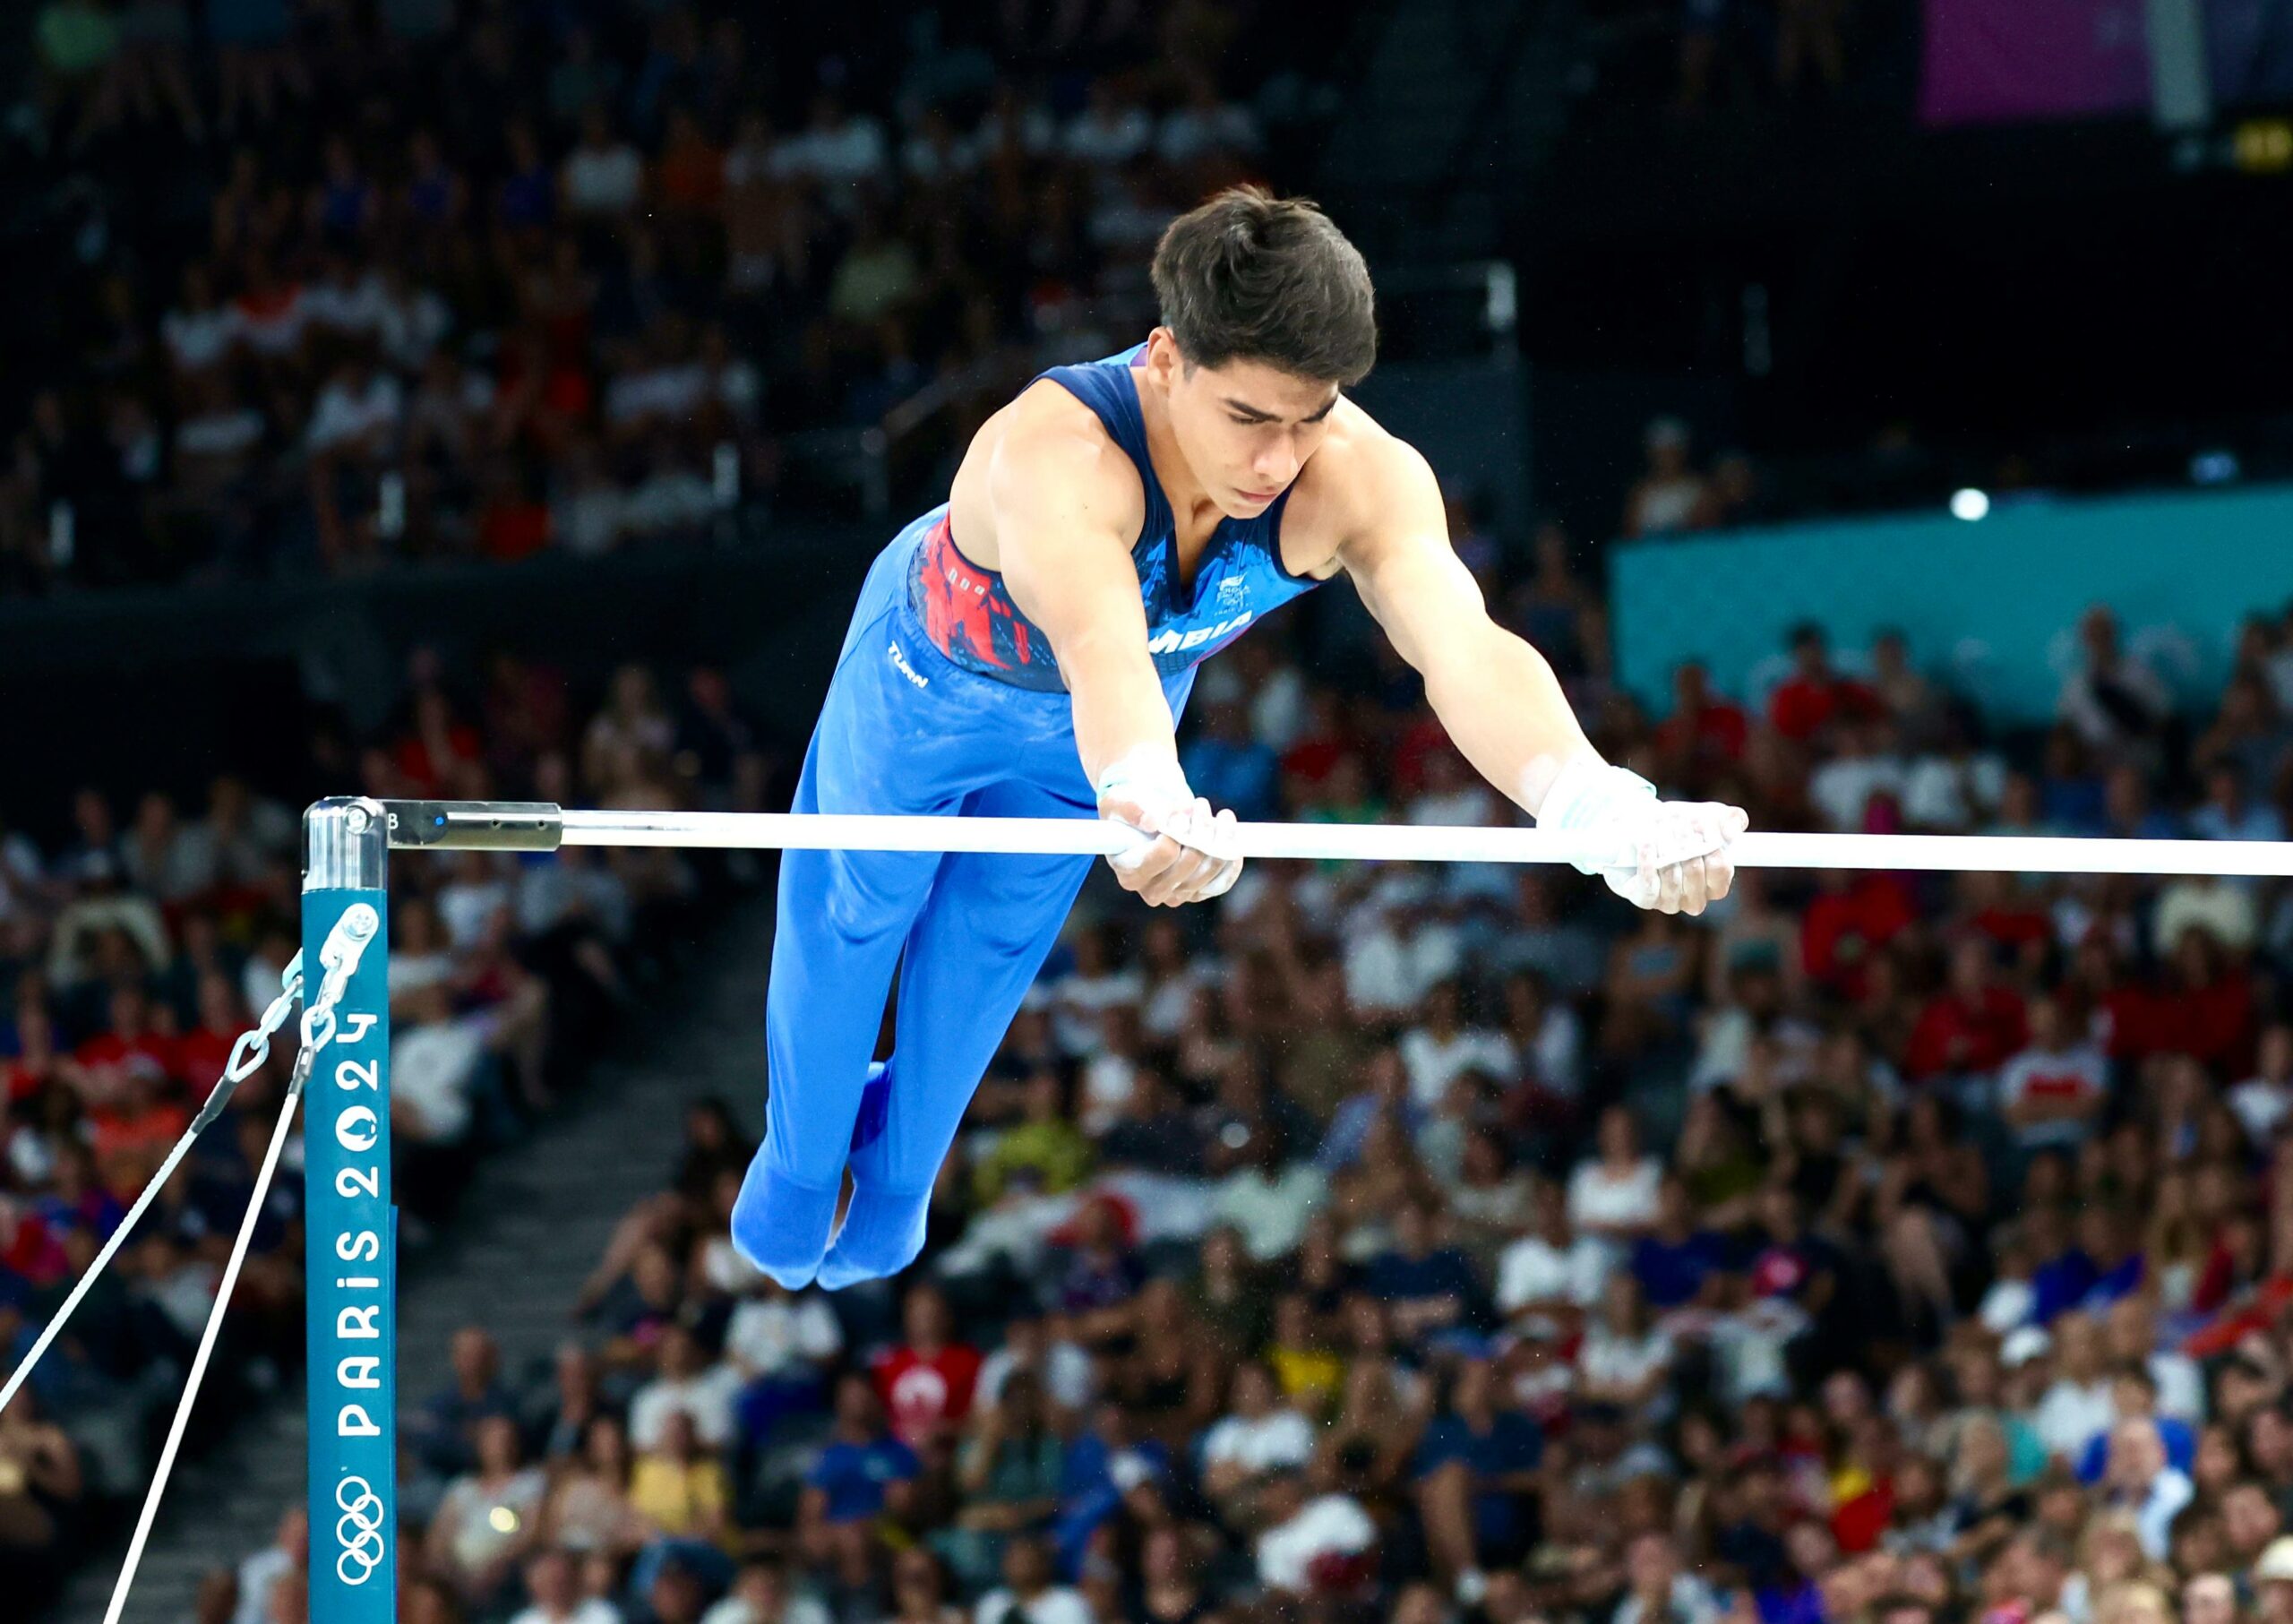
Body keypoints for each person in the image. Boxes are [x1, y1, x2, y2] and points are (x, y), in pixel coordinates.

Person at [733, 185, 1748, 1292]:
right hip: (926, 692)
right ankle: (797, 1163)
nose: (1278, 460)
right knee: (854, 917)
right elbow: (1100, 644)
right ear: (1166, 359)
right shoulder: (1055, 454)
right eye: (1249, 419)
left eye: (1309, 416)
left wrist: (1589, 798)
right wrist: (1148, 788)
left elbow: (1462, 644)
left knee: (983, 958)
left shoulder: (1357, 474)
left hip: (1098, 739)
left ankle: (891, 1175)